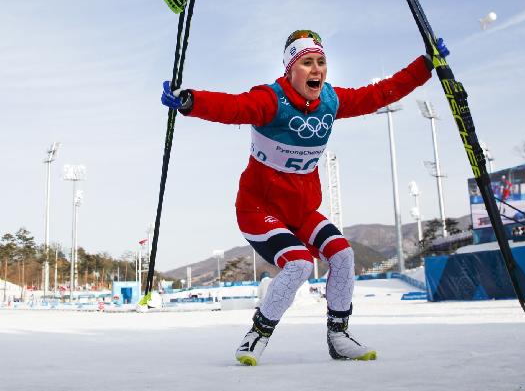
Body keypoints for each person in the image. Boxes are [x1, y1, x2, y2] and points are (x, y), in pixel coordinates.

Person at [161, 29, 447, 365]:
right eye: (307, 62)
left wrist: (425, 65)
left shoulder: (330, 101)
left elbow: (379, 94)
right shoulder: (270, 100)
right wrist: (192, 101)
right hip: (258, 209)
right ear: (289, 70)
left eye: (321, 62)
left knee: (342, 254)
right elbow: (233, 107)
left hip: (301, 211)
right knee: (298, 263)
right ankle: (258, 334)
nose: (316, 70)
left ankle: (339, 336)